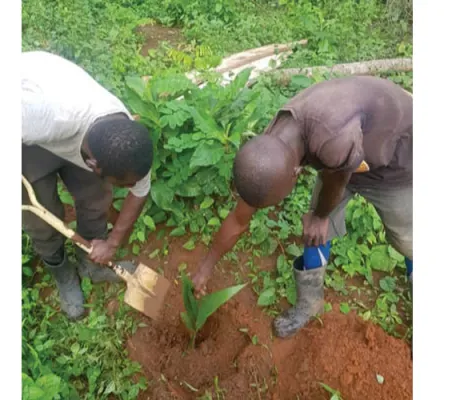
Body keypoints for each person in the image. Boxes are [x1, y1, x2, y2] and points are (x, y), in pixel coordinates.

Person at [192, 75, 412, 338]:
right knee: (315, 229)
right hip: (345, 151)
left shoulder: (332, 142)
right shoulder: (269, 150)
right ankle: (310, 304)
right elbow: (240, 217)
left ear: (296, 172)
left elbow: (338, 177)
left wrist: (320, 215)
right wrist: (205, 268)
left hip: (398, 157)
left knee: (407, 238)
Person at [21, 51, 154, 320]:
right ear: (94, 164)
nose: (131, 185)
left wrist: (112, 244)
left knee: (96, 197)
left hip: (70, 128)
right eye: (124, 184)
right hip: (27, 138)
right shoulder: (35, 116)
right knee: (41, 219)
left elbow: (140, 190)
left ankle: (90, 263)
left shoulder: (126, 141)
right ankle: (63, 274)